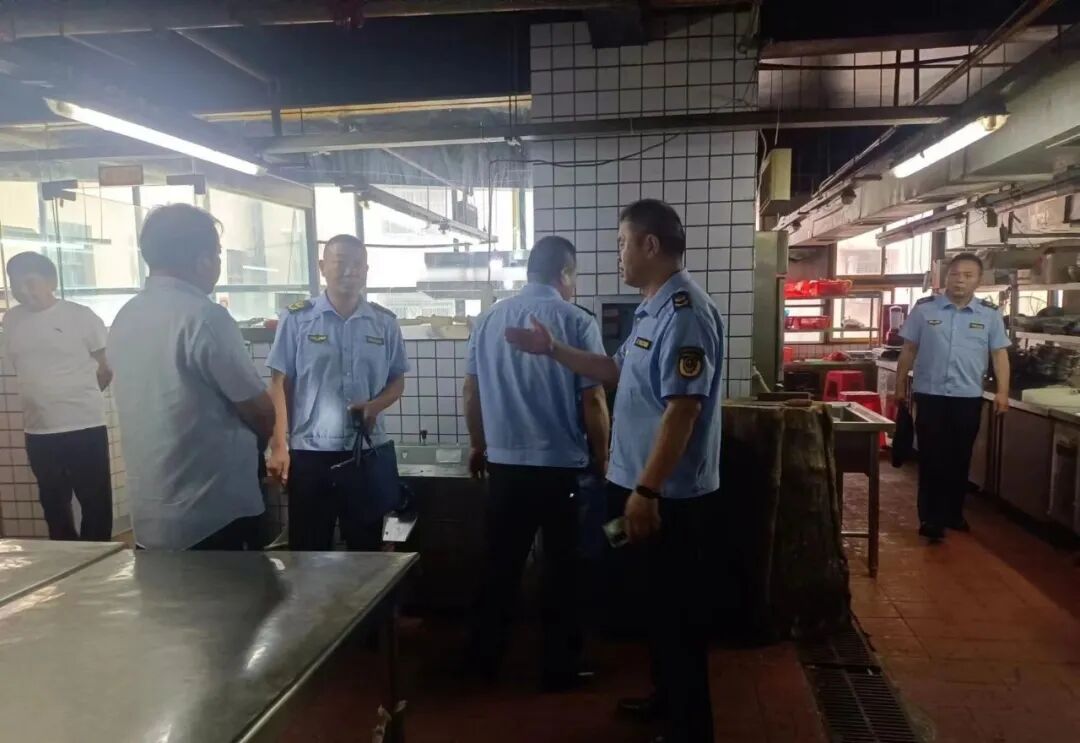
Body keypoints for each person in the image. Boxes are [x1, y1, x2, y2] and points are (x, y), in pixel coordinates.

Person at [506, 200, 724, 743]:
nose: (618, 254)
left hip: (668, 497)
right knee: (654, 606)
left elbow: (683, 410)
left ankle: (690, 727)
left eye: (622, 243)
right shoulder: (651, 309)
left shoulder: (685, 313)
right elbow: (614, 369)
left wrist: (646, 491)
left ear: (650, 245)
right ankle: (665, 698)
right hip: (636, 486)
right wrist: (554, 349)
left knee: (678, 614)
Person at [463, 235, 611, 690]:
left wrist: (479, 444)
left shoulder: (489, 320)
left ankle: (484, 661)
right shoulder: (577, 321)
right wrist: (603, 458)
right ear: (565, 273)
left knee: (500, 565)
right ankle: (559, 668)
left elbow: (470, 392)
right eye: (574, 276)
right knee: (562, 570)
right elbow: (593, 400)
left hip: (505, 467)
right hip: (561, 469)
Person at [108, 203, 275, 550]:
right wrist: (265, 441)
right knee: (238, 586)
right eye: (217, 254)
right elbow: (258, 409)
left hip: (151, 511)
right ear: (203, 261)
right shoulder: (205, 317)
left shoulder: (125, 316)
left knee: (165, 587)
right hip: (214, 511)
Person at [266, 234, 409, 551]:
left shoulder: (384, 322)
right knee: (308, 550)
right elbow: (278, 384)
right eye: (340, 262)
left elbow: (397, 381)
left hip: (367, 453)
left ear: (366, 270)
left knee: (367, 551)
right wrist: (279, 445)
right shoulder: (297, 318)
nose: (350, 270)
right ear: (322, 267)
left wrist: (375, 405)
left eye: (357, 264)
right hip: (310, 454)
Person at [895, 252, 1010, 542]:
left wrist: (1003, 393)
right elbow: (908, 350)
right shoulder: (924, 310)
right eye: (955, 274)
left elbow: (999, 355)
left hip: (967, 397)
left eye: (968, 275)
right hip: (930, 394)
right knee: (931, 456)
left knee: (960, 457)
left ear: (978, 280)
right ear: (946, 277)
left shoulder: (989, 315)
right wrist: (899, 386)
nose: (960, 280)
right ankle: (930, 518)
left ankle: (953, 513)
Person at [3, 253, 114, 541]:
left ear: (51, 281)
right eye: (15, 284)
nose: (23, 290)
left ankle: (99, 558)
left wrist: (76, 395)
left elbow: (106, 367)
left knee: (95, 501)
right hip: (38, 429)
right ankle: (65, 558)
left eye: (30, 282)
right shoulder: (12, 320)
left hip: (84, 424)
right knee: (53, 503)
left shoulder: (81, 316)